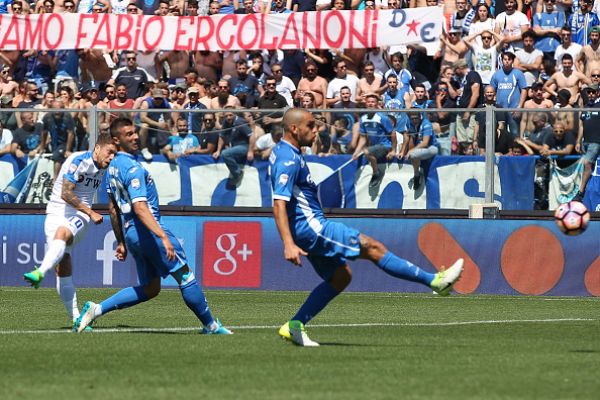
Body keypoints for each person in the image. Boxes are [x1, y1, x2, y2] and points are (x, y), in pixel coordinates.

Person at [270, 108, 464, 347]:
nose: (316, 129)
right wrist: (288, 243)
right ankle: (435, 282)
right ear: (294, 129)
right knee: (372, 247)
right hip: (312, 228)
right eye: (310, 125)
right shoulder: (287, 159)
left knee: (340, 277)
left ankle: (295, 325)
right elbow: (279, 202)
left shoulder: (287, 152)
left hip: (306, 229)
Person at [74, 117, 232, 334]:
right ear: (116, 140)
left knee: (151, 288)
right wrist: (162, 236)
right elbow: (140, 208)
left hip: (132, 233)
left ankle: (96, 309)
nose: (135, 136)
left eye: (134, 132)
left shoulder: (111, 169)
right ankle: (211, 326)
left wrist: (121, 240)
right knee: (185, 275)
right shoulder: (131, 167)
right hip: (148, 230)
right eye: (128, 134)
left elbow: (113, 209)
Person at [23, 134, 117, 331]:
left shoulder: (105, 168)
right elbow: (66, 193)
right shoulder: (78, 160)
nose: (111, 158)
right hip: (57, 210)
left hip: (79, 215)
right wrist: (92, 212)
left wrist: (88, 213)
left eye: (114, 154)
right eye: (109, 152)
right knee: (63, 265)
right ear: (97, 149)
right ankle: (76, 318)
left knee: (63, 233)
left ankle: (40, 272)